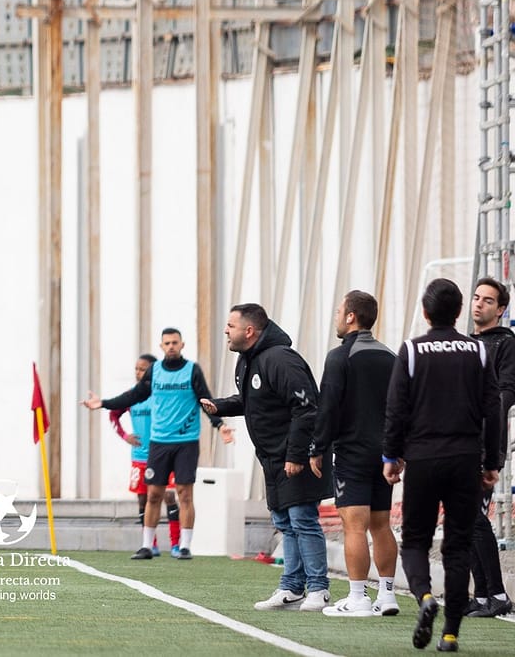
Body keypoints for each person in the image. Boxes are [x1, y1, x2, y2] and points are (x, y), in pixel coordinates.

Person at [382, 278, 502, 652]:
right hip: (465, 459)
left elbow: (396, 410)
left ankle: (424, 598)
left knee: (415, 540)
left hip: (423, 457)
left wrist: (391, 456)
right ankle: (450, 634)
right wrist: (492, 460)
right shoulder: (478, 351)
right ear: (460, 311)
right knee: (458, 546)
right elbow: (493, 409)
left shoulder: (412, 351)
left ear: (424, 312)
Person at [200, 303, 332, 612]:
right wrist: (220, 406)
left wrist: (298, 453)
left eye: (230, 326)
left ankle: (319, 589)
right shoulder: (247, 361)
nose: (225, 331)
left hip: (294, 455)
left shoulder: (280, 360)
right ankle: (292, 587)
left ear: (249, 331)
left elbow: (306, 407)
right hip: (272, 458)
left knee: (303, 519)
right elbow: (253, 402)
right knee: (285, 521)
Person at [84, 328, 232, 561]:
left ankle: (184, 546)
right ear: (161, 346)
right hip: (159, 442)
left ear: (182, 345)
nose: (171, 346)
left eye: (175, 342)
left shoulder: (192, 370)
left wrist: (220, 425)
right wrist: (103, 403)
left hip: (186, 442)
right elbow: (133, 396)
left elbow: (206, 400)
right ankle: (146, 545)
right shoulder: (155, 371)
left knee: (184, 494)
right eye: (167, 343)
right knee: (153, 494)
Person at [309, 290, 400, 618]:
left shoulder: (339, 357)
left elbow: (328, 406)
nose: (336, 317)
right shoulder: (390, 355)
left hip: (352, 453)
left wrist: (317, 447)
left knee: (354, 526)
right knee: (381, 524)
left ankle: (358, 598)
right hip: (385, 453)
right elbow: (400, 406)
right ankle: (387, 596)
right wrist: (397, 450)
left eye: (338, 311)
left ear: (351, 317)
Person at [466, 277, 513, 618]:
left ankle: (496, 593)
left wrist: (489, 448)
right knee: (463, 517)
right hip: (460, 442)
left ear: (500, 309)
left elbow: (506, 392)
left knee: (471, 516)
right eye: (476, 297)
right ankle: (482, 596)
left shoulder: (505, 344)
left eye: (487, 300)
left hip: (484, 445)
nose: (479, 303)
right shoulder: (467, 343)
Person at [108, 354, 183, 557]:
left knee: (168, 496)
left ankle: (176, 544)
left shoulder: (162, 395)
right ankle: (150, 544)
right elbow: (113, 413)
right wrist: (125, 436)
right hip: (139, 458)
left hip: (163, 456)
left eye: (143, 369)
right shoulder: (132, 396)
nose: (138, 373)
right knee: (143, 500)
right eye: (136, 369)